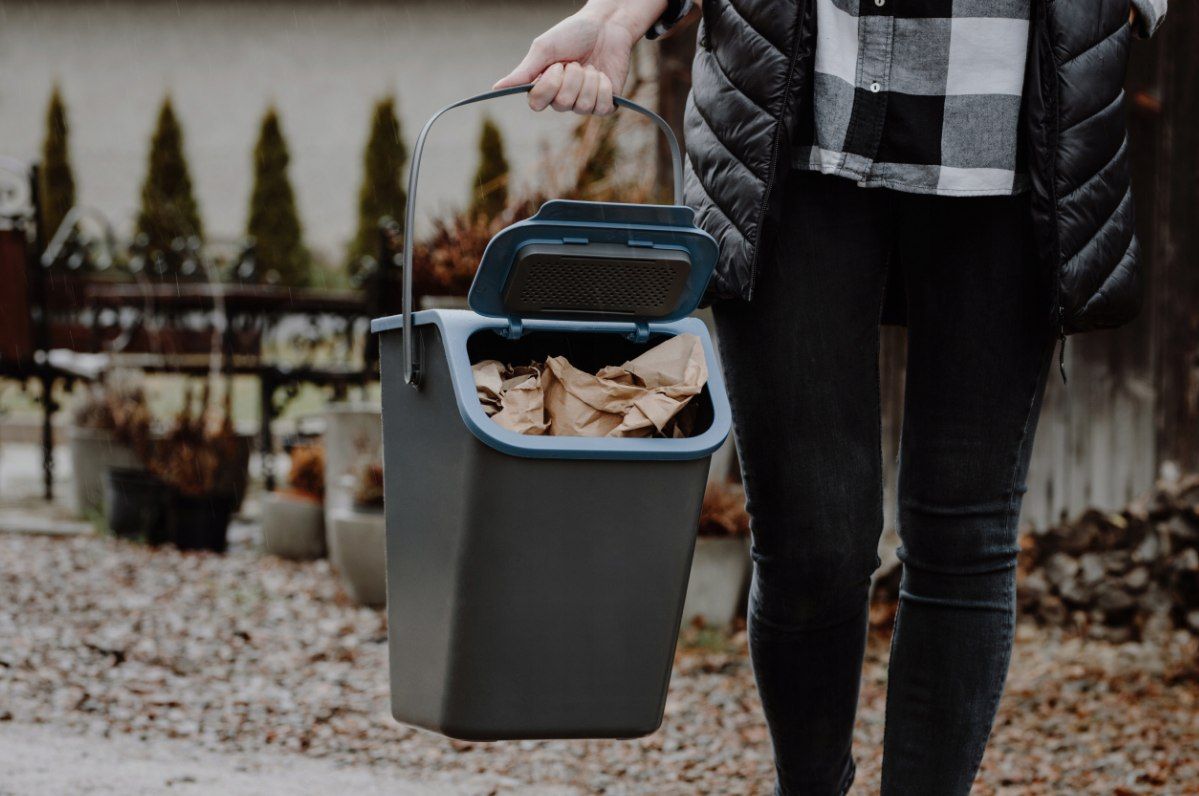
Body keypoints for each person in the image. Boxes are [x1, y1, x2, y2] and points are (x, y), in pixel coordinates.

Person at [497, 0, 1167, 793]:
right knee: (811, 543)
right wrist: (613, 17)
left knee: (962, 537)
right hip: (793, 109)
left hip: (1006, 112)